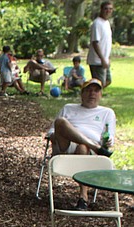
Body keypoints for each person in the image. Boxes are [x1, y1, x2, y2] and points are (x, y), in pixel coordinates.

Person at [47, 78, 116, 210]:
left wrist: (108, 141)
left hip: (90, 152)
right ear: (81, 94)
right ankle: (92, 145)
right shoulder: (68, 108)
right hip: (66, 147)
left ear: (101, 95)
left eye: (96, 91)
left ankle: (83, 197)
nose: (92, 94)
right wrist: (60, 135)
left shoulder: (107, 112)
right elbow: (52, 132)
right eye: (89, 90)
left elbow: (110, 137)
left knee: (83, 147)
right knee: (61, 122)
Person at [88, 1, 113, 87]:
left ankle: (95, 93)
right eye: (106, 9)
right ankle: (94, 95)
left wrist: (107, 58)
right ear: (101, 9)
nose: (108, 11)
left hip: (104, 60)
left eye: (110, 9)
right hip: (97, 61)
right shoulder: (97, 23)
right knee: (99, 83)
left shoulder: (106, 23)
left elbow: (106, 43)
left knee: (108, 80)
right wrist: (102, 59)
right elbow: (95, 42)